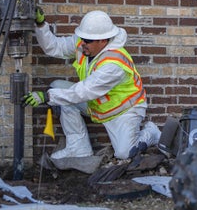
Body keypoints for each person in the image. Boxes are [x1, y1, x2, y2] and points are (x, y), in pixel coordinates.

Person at [22, 9, 161, 160]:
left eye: (87, 40)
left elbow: (84, 91)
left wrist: (46, 96)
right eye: (82, 38)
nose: (82, 43)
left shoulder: (114, 65)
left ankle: (150, 133)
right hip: (97, 104)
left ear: (103, 40)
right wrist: (41, 25)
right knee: (57, 88)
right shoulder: (85, 44)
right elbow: (55, 47)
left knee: (124, 153)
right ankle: (78, 148)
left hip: (124, 111)